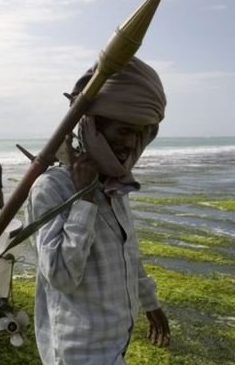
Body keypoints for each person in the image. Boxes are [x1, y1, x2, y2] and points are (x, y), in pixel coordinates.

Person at [28, 57, 171, 364]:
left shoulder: (116, 186)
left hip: (117, 344)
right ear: (94, 125)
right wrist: (84, 199)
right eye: (122, 131)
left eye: (138, 133)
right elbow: (62, 275)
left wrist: (150, 303)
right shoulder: (51, 189)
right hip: (80, 353)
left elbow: (128, 254)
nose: (130, 143)